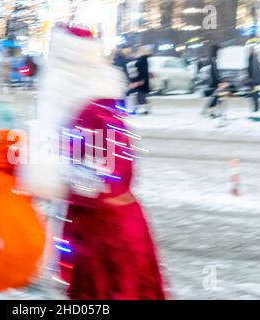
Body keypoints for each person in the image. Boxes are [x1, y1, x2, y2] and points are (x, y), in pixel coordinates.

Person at [25, 24, 166, 300]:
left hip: (105, 237)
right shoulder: (88, 108)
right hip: (95, 229)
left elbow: (112, 178)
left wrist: (56, 176)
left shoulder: (93, 112)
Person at [126, 45, 152, 115]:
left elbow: (143, 71)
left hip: (141, 79)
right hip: (142, 79)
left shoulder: (143, 59)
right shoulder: (144, 59)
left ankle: (140, 109)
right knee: (140, 95)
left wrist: (140, 81)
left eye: (140, 50)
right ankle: (141, 109)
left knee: (140, 95)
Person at [246, 46, 260, 113]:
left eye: (250, 50)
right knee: (254, 95)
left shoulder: (254, 58)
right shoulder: (249, 58)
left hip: (255, 80)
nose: (249, 51)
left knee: (255, 94)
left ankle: (256, 108)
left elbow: (256, 70)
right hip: (252, 80)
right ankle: (255, 107)